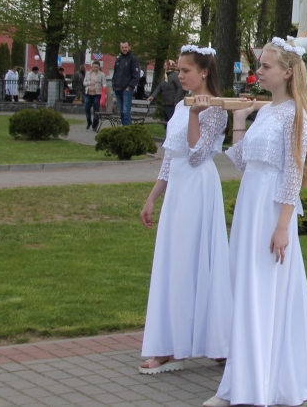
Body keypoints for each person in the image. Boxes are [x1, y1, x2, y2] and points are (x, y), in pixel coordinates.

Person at [204, 37, 307, 407]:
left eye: (265, 66)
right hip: (251, 203)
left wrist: (282, 226)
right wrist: (238, 120)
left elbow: (293, 173)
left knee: (264, 290)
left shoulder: (295, 113)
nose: (258, 71)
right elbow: (245, 161)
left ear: (287, 72)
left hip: (273, 208)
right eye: (259, 65)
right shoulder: (265, 112)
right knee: (246, 287)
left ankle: (258, 383)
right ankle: (244, 378)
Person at [139, 45, 231, 374]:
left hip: (199, 189)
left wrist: (195, 114)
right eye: (178, 71)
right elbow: (170, 157)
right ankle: (170, 340)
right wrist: (153, 197)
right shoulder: (180, 105)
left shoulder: (216, 109)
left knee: (196, 261)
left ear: (204, 71)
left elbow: (196, 155)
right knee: (173, 263)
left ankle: (212, 339)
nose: (180, 75)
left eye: (186, 70)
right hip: (178, 189)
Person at [112, 42, 140, 126]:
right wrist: (114, 84)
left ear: (129, 47)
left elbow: (136, 75)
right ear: (120, 48)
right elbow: (115, 73)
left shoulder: (133, 59)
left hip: (126, 89)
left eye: (126, 47)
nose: (124, 49)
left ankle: (127, 129)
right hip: (117, 89)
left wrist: (130, 86)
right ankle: (124, 127)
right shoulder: (118, 60)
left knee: (125, 111)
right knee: (121, 111)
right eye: (122, 47)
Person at [83, 61, 105, 131]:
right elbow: (84, 83)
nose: (95, 68)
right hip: (88, 93)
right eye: (94, 67)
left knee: (96, 110)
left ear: (99, 67)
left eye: (97, 67)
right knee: (86, 109)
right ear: (92, 67)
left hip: (97, 94)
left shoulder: (101, 74)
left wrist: (104, 91)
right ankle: (89, 122)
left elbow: (104, 84)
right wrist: (89, 83)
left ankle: (95, 125)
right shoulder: (88, 73)